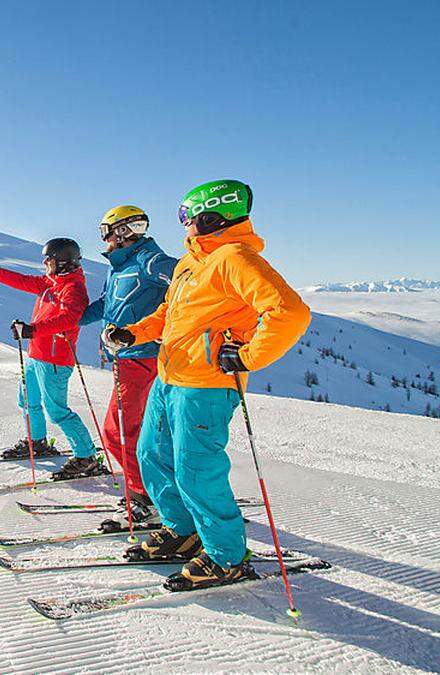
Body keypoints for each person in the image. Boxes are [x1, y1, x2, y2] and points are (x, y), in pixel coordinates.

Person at [104, 180, 311, 591]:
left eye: (187, 216)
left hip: (207, 384)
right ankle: (182, 531)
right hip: (170, 375)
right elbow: (170, 312)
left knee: (196, 470)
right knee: (152, 455)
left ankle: (226, 557)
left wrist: (248, 356)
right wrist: (134, 333)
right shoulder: (192, 262)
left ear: (210, 215)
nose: (183, 225)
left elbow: (291, 312)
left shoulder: (235, 258)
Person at [75, 206, 177, 524]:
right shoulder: (119, 266)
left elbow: (188, 283)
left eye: (105, 230)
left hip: (143, 358)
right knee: (136, 431)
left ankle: (144, 495)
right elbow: (107, 303)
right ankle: (155, 489)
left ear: (121, 232)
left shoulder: (150, 260)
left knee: (117, 431)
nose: (103, 238)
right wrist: (73, 320)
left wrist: (172, 324)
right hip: (127, 358)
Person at [0, 239, 103, 466]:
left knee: (57, 411)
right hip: (36, 355)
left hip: (55, 360)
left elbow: (70, 319)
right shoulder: (49, 282)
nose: (44, 262)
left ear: (61, 262)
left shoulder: (73, 289)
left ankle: (86, 456)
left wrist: (33, 330)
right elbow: (21, 281)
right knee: (28, 402)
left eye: (48, 259)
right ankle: (37, 443)